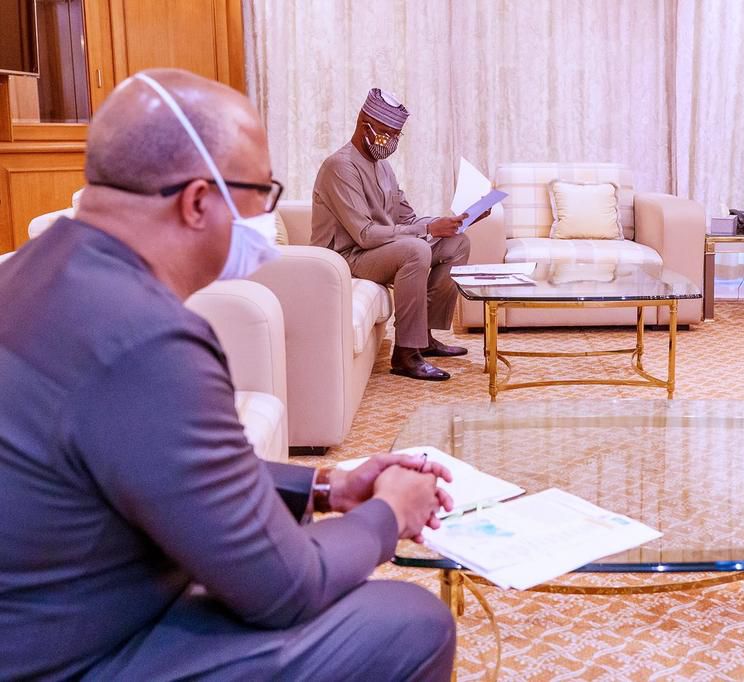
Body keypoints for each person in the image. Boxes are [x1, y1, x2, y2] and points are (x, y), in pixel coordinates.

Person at [0, 69, 457, 680]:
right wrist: (388, 513)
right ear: (197, 202)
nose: (265, 225)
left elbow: (158, 461)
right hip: (72, 658)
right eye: (261, 197)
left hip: (49, 620)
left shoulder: (36, 272)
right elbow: (285, 587)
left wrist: (324, 487)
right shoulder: (150, 339)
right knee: (408, 622)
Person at [312, 88, 482, 381]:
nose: (390, 141)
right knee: (415, 250)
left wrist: (453, 221)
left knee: (456, 243)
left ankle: (424, 338)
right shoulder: (340, 166)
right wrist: (426, 230)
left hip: (374, 251)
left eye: (396, 135)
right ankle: (405, 353)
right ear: (364, 123)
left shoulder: (384, 168)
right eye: (386, 132)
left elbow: (409, 219)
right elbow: (364, 234)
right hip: (346, 257)